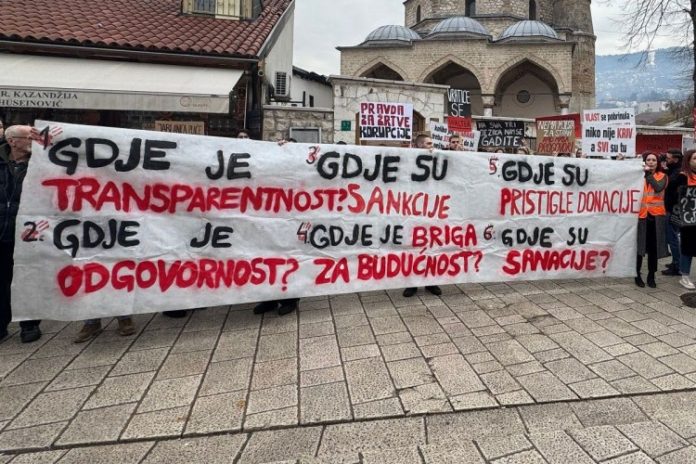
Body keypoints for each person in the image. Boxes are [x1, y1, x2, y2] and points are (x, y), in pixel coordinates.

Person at [1, 125, 41, 343]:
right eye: (28, 138)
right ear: (12, 141)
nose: (32, 141)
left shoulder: (40, 165)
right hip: (3, 231)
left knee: (29, 279)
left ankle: (29, 325)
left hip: (28, 233)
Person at [254, 136, 300, 316]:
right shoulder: (272, 165)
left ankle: (290, 299)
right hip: (270, 221)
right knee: (267, 259)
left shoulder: (305, 169)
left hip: (293, 222)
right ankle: (269, 299)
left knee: (291, 260)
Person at [403, 134, 442, 298]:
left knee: (431, 246)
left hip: (434, 209)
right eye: (428, 143)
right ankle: (412, 283)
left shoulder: (438, 159)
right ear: (419, 146)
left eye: (432, 143)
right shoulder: (408, 161)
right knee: (413, 247)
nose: (431, 146)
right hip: (413, 210)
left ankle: (431, 281)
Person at [635, 151, 669, 289]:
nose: (651, 162)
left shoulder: (663, 176)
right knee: (639, 247)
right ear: (644, 161)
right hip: (641, 216)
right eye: (648, 160)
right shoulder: (638, 176)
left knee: (653, 249)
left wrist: (648, 174)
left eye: (653, 160)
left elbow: (658, 187)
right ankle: (636, 274)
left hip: (656, 217)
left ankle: (651, 275)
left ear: (658, 163)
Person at [668, 149, 696, 289]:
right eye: (695, 158)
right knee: (688, 248)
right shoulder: (682, 177)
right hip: (688, 220)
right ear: (688, 161)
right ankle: (684, 275)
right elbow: (671, 196)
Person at [663, 149, 684, 277]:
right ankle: (675, 262)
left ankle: (677, 265)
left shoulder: (679, 173)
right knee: (672, 237)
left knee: (673, 238)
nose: (666, 160)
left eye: (668, 158)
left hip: (674, 210)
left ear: (675, 159)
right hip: (673, 208)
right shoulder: (675, 170)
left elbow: (670, 184)